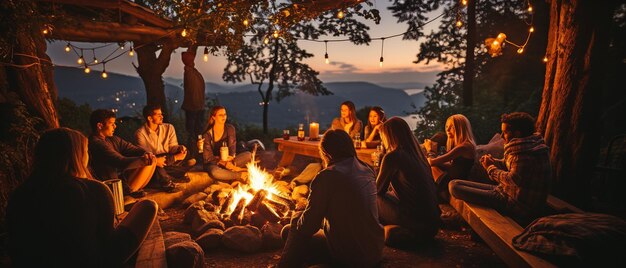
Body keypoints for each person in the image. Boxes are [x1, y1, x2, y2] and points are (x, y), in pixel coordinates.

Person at [6, 128, 158, 267]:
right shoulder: (91, 189)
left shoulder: (20, 194)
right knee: (148, 206)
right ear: (76, 155)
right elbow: (107, 241)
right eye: (85, 151)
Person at [279, 129, 384, 267]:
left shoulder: (326, 176)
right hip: (374, 250)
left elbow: (308, 227)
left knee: (292, 226)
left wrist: (300, 216)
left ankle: (285, 265)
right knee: (299, 223)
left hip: (352, 256)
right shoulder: (367, 169)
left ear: (326, 152)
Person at [449, 112, 551, 223]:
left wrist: (490, 168)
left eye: (505, 132)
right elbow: (510, 166)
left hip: (515, 203)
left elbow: (512, 179)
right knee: (455, 183)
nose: (501, 136)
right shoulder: (528, 146)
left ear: (517, 133)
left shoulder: (525, 154)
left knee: (455, 187)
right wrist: (494, 162)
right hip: (505, 191)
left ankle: (465, 219)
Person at [376, 117, 441, 244]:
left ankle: (371, 229)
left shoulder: (393, 156)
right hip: (433, 225)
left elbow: (377, 190)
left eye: (383, 136)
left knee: (372, 196)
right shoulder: (419, 155)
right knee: (388, 195)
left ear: (389, 136)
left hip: (417, 222)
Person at [88, 109, 157, 197]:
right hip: (109, 187)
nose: (115, 126)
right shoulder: (96, 143)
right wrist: (143, 160)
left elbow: (132, 149)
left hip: (121, 180)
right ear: (100, 126)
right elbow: (120, 162)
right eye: (111, 124)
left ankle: (133, 191)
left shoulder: (112, 139)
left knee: (152, 159)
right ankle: (127, 195)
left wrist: (147, 153)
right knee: (148, 161)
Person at [135, 104, 190, 191]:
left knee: (185, 151)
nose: (162, 117)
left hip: (168, 158)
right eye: (158, 115)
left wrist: (179, 148)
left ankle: (172, 174)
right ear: (150, 118)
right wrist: (175, 158)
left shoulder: (169, 127)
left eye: (161, 114)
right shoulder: (140, 133)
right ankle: (169, 181)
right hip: (155, 162)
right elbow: (147, 156)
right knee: (155, 164)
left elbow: (172, 147)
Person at [424, 114, 477, 201]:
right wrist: (439, 160)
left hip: (452, 183)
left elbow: (431, 162)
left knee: (431, 166)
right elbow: (453, 166)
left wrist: (430, 149)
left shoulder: (463, 147)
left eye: (451, 127)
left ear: (460, 128)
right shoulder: (466, 145)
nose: (447, 129)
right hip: (453, 180)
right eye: (447, 126)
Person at [200, 106, 251, 182]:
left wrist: (230, 161)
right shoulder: (207, 135)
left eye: (225, 114)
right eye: (220, 115)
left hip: (229, 161)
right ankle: (239, 175)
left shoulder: (230, 129)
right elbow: (208, 158)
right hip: (214, 163)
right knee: (215, 172)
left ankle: (228, 173)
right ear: (213, 117)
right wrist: (223, 163)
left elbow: (232, 149)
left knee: (248, 155)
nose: (224, 116)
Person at [182, 49, 206, 162]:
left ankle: (194, 155)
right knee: (197, 132)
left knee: (193, 132)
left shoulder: (190, 72)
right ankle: (196, 154)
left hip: (193, 108)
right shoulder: (194, 73)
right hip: (198, 107)